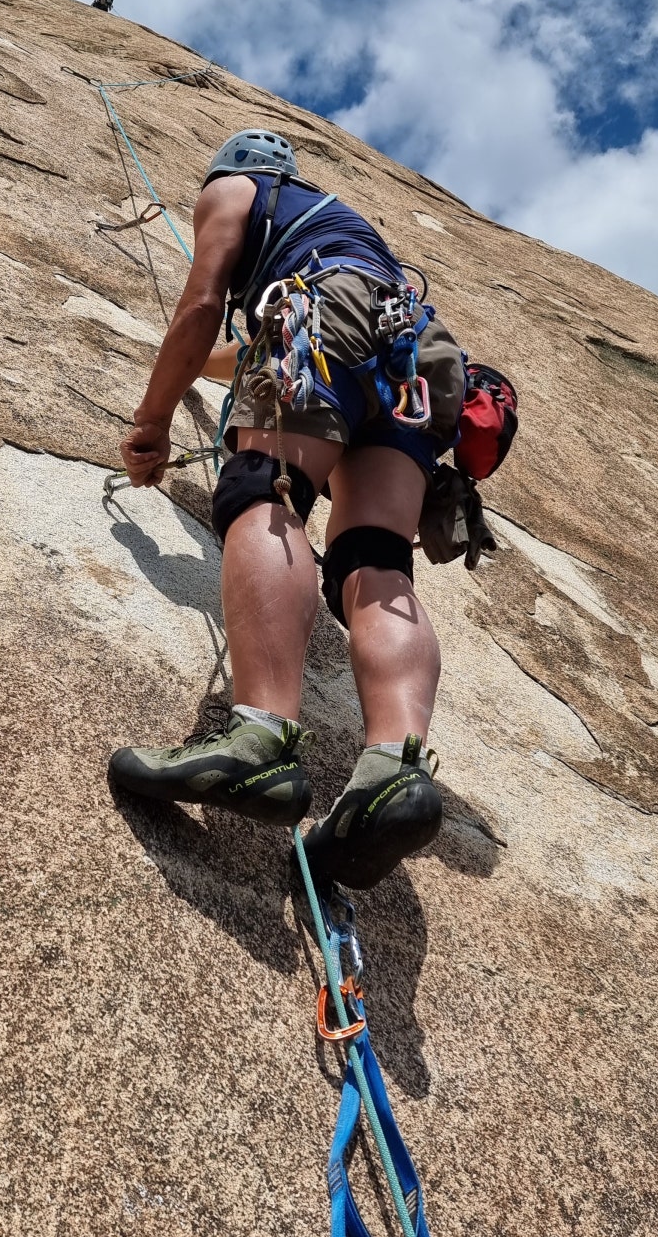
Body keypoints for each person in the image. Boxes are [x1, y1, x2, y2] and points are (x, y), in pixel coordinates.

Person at [108, 129, 467, 891]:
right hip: (412, 358)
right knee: (375, 559)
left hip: (319, 317)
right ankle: (393, 772)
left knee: (263, 492)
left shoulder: (234, 190)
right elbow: (240, 352)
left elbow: (204, 303)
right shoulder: (339, 225)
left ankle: (260, 740)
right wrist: (199, 378)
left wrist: (151, 421)